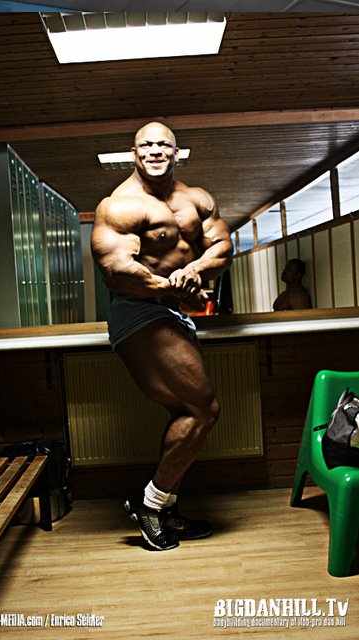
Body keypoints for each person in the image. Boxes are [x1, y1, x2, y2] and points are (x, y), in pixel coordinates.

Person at [91, 121, 232, 551]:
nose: (155, 150)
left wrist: (196, 270)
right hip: (139, 311)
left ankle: (164, 508)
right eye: (146, 145)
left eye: (163, 144)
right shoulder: (119, 206)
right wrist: (170, 286)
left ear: (176, 152)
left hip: (171, 311)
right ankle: (149, 505)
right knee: (203, 409)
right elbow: (116, 269)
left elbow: (222, 247)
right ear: (134, 153)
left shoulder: (197, 199)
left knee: (189, 413)